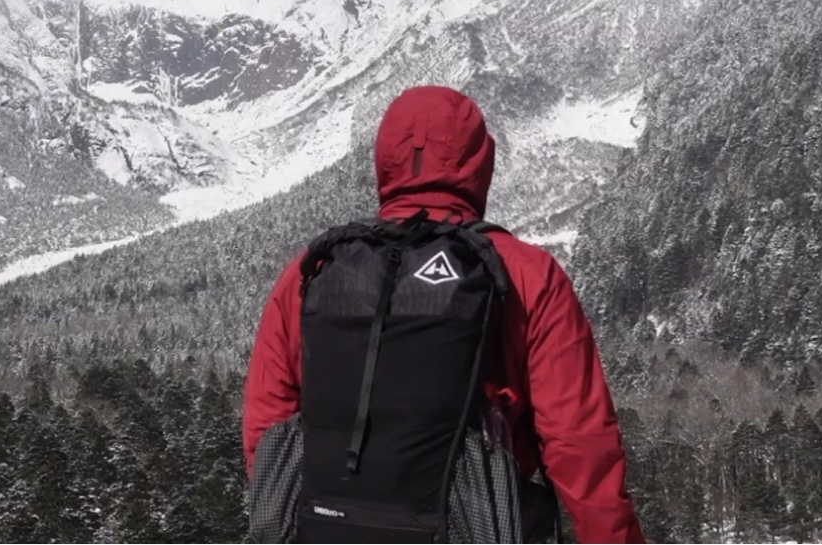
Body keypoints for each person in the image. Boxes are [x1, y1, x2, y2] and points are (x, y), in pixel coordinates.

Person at [243, 85, 644, 543]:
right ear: (479, 163)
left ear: (385, 161)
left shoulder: (311, 270)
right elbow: (580, 443)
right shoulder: (525, 273)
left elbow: (268, 423)